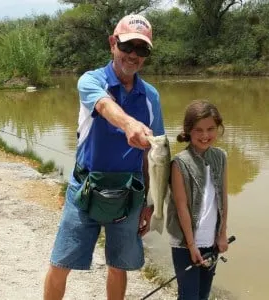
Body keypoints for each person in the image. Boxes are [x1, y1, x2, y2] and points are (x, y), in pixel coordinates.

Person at [44, 14, 165, 300]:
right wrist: (129, 125)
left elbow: (156, 156)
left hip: (129, 193)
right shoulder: (91, 81)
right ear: (113, 43)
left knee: (118, 266)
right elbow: (103, 105)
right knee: (60, 264)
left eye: (142, 50)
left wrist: (151, 203)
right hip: (84, 189)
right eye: (127, 46)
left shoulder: (151, 97)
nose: (133, 55)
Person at [166, 100, 228, 300]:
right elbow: (182, 206)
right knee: (188, 296)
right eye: (198, 130)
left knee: (203, 295)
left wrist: (222, 234)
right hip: (186, 243)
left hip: (212, 241)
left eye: (210, 129)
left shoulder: (221, 157)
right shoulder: (179, 163)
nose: (205, 135)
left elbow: (223, 199)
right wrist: (192, 245)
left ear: (218, 128)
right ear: (188, 131)